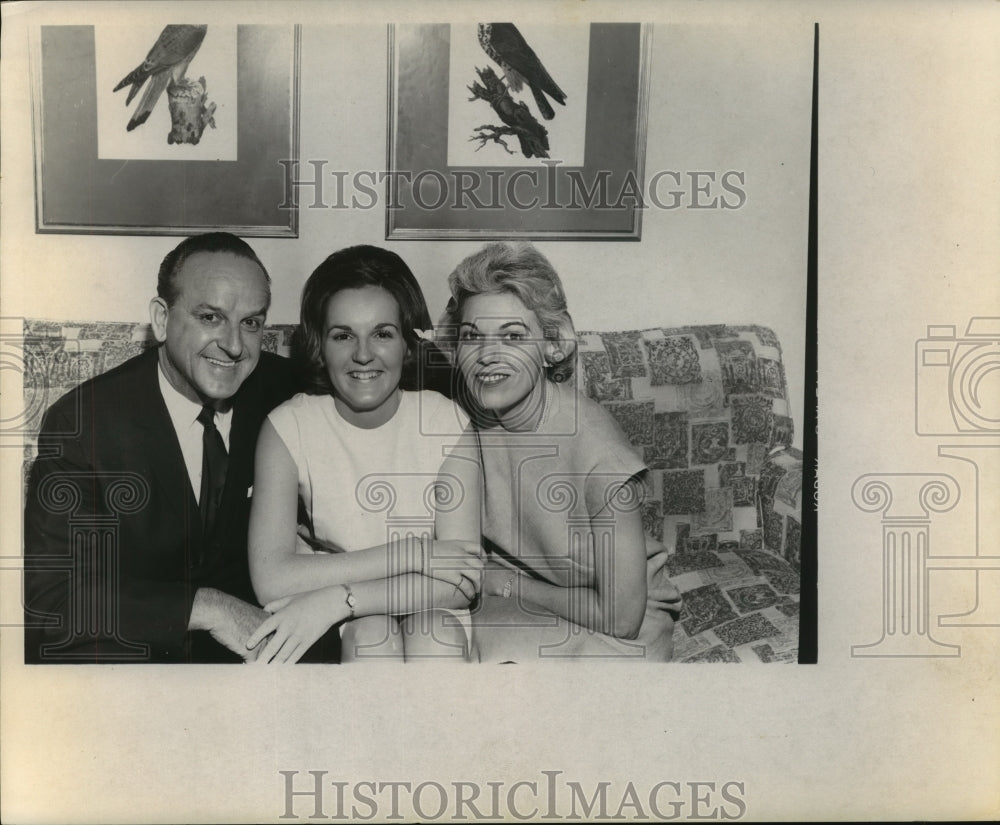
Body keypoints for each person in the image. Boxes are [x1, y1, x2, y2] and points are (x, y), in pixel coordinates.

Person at [23, 232, 306, 663]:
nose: (234, 346)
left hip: (259, 665)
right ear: (161, 319)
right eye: (210, 317)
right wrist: (207, 607)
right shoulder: (84, 423)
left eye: (251, 323)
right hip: (138, 664)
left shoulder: (287, 391)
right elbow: (53, 600)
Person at [438, 242, 680, 662]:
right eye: (472, 336)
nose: (487, 356)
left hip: (611, 624)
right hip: (520, 606)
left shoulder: (599, 452)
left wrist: (507, 584)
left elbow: (621, 617)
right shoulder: (462, 416)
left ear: (553, 345)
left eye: (513, 336)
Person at [246, 245, 484, 664]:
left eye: (382, 333)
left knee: (436, 634)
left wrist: (343, 598)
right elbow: (271, 579)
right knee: (372, 635)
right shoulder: (288, 426)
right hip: (346, 619)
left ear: (407, 344)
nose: (362, 354)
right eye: (343, 335)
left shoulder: (446, 421)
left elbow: (461, 581)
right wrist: (411, 554)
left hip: (427, 603)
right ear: (320, 346)